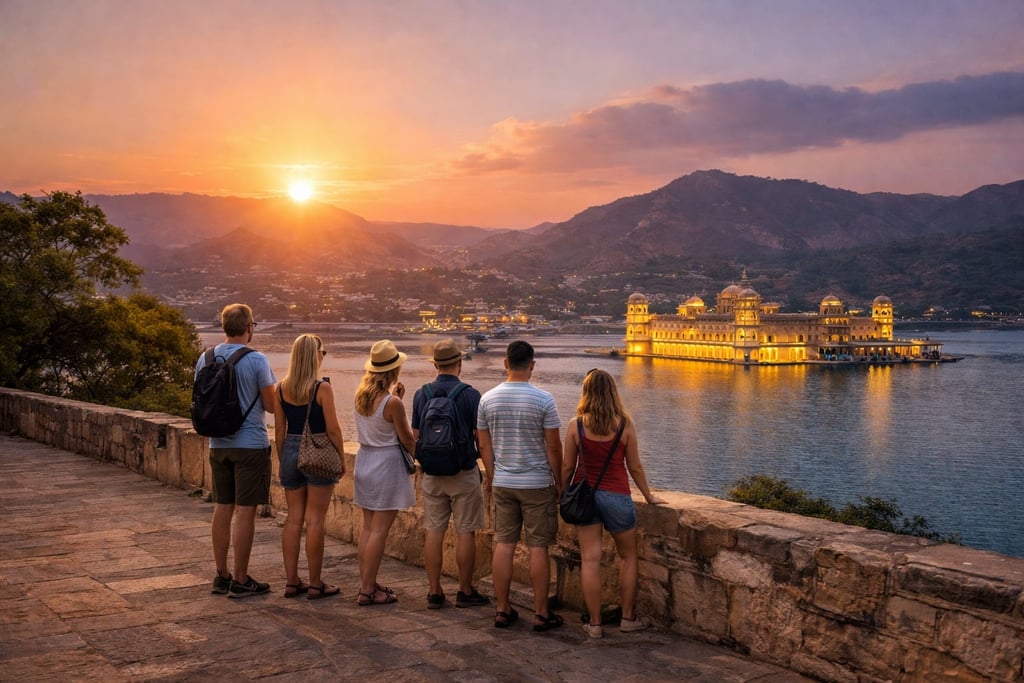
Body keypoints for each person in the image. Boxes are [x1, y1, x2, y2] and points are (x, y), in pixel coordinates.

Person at [561, 368, 667, 638]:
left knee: (590, 560)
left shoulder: (576, 425)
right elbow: (635, 466)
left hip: (585, 497)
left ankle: (595, 624)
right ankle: (628, 618)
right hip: (617, 496)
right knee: (628, 557)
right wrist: (648, 496)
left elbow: (567, 466)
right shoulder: (624, 425)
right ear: (612, 392)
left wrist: (562, 492)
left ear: (586, 392)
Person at [477, 340, 563, 631]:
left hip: (504, 482)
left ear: (506, 363)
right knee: (538, 547)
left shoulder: (487, 399)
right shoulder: (544, 400)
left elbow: (484, 445)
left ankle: (502, 609)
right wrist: (559, 483)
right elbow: (554, 448)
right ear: (532, 365)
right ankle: (541, 613)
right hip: (537, 483)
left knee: (504, 544)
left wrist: (492, 475)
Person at [198, 303, 277, 598]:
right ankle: (241, 579)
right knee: (245, 511)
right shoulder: (256, 360)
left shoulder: (205, 358)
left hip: (218, 444)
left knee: (222, 507)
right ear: (249, 327)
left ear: (224, 327)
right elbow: (271, 405)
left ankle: (222, 575)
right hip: (250, 445)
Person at [410, 338, 488, 610]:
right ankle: (464, 591)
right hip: (463, 472)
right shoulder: (470, 395)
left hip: (432, 473)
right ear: (459, 364)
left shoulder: (421, 394)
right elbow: (481, 440)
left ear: (435, 365)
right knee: (466, 532)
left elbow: (415, 436)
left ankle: (434, 592)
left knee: (434, 531)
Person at [273, 334, 345, 600]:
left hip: (290, 452)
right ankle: (315, 584)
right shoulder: (321, 389)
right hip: (316, 451)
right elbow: (333, 429)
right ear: (315, 356)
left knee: (293, 519)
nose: (323, 356)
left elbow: (279, 430)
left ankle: (292, 581)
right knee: (315, 520)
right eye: (322, 352)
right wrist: (341, 458)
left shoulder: (280, 389)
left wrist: (284, 459)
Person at [352, 339, 416, 606]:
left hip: (365, 461)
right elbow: (406, 438)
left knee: (368, 529)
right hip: (386, 466)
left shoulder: (360, 395)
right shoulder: (392, 403)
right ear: (393, 371)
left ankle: (367, 581)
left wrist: (396, 399)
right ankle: (367, 590)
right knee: (379, 531)